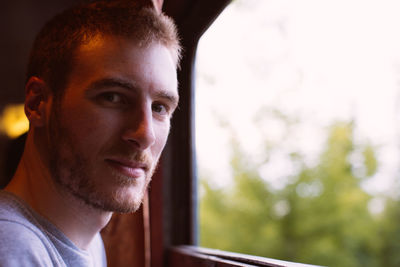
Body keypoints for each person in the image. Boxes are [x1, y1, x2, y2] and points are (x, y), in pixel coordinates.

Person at [0, 0, 181, 266]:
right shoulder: (12, 249)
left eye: (159, 108)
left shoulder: (89, 244)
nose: (145, 134)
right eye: (113, 97)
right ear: (38, 104)